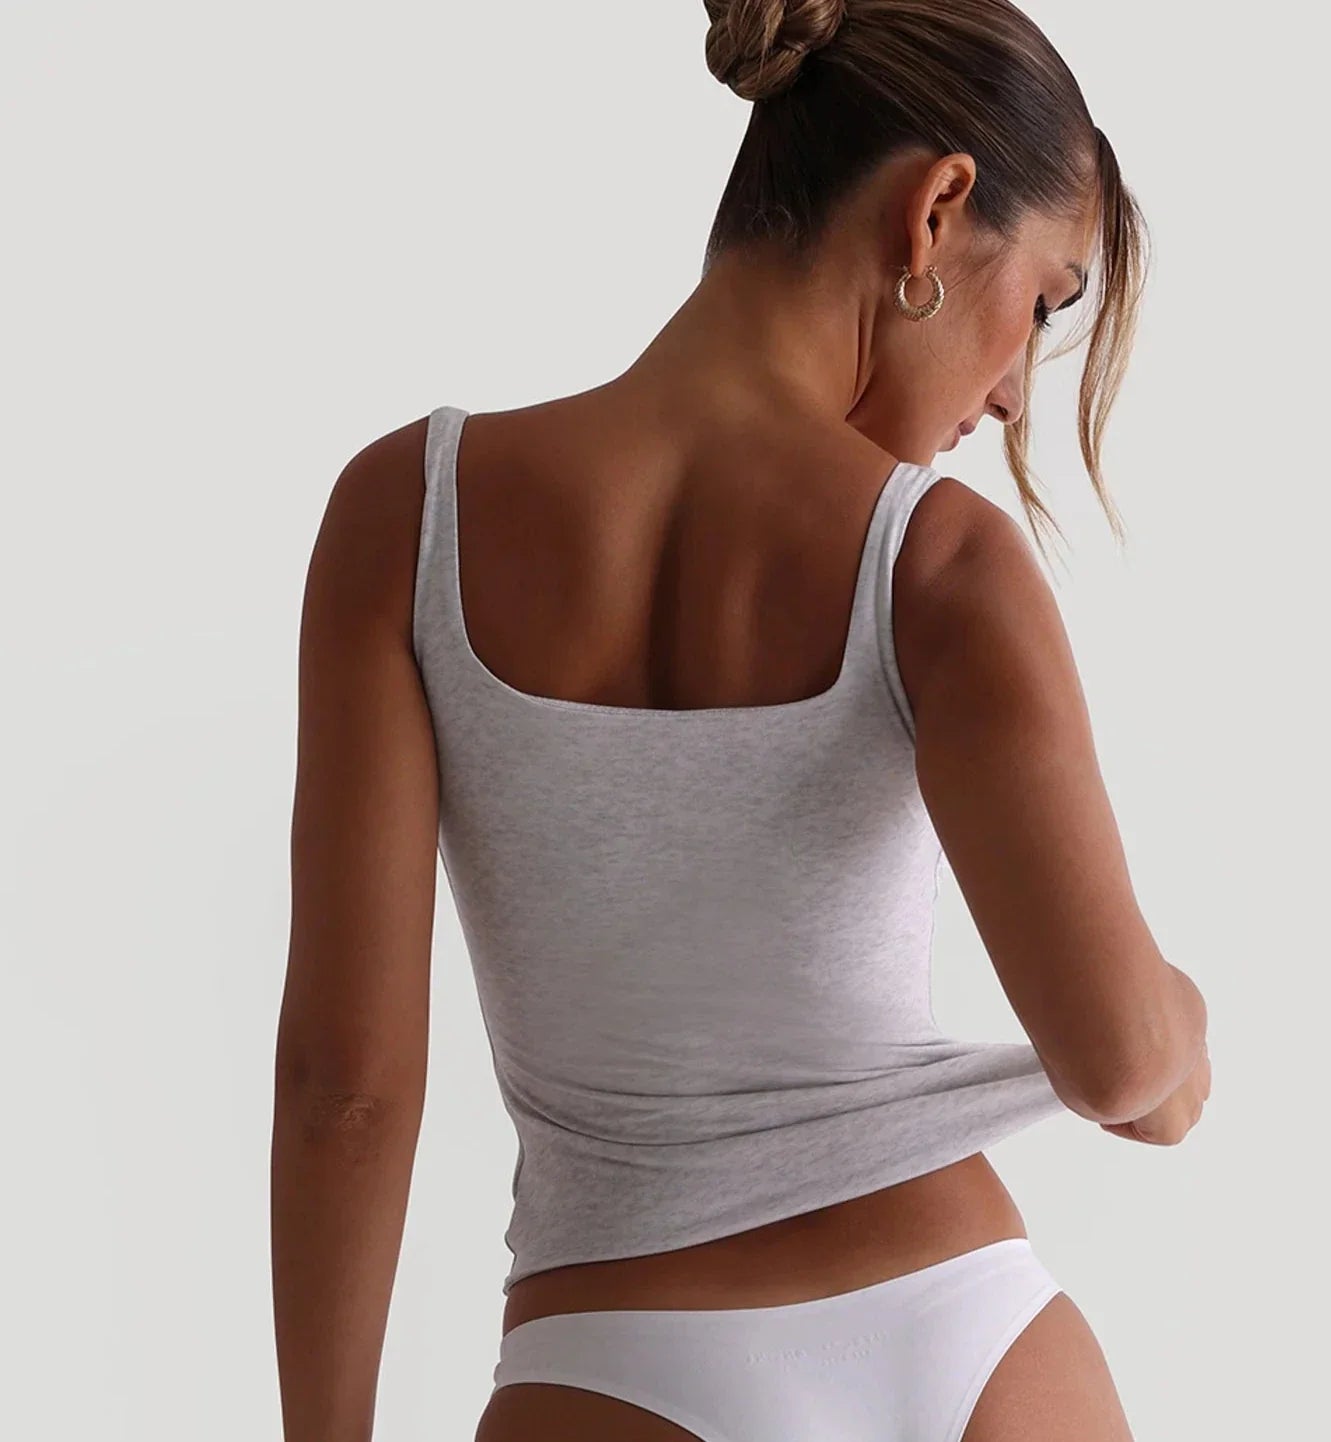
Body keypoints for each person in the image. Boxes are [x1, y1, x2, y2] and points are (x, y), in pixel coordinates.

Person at [271, 1, 1211, 1438]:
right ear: (935, 210)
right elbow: (1127, 1068)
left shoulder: (406, 517)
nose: (1015, 392)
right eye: (1041, 303)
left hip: (606, 1358)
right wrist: (1183, 1024)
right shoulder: (937, 563)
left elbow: (344, 1090)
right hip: (958, 1340)